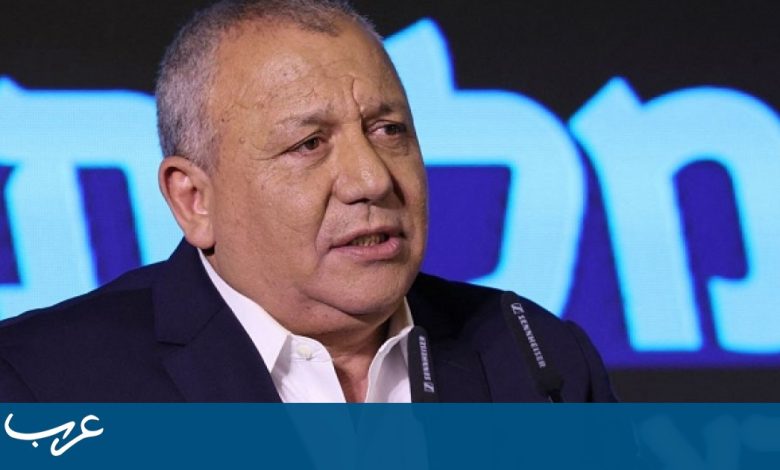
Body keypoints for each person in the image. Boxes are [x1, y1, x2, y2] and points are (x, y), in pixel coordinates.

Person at [0, 0, 616, 402]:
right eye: (309, 144)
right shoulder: (42, 384)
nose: (371, 179)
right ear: (194, 200)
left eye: (388, 130)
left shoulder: (536, 360)